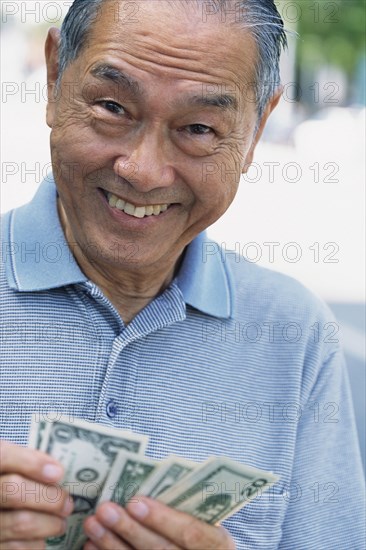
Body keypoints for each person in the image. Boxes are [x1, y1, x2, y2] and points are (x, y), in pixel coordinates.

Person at [0, 0, 364, 548]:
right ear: (54, 79)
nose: (142, 171)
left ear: (257, 129)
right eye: (112, 107)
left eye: (197, 127)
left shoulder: (294, 333)